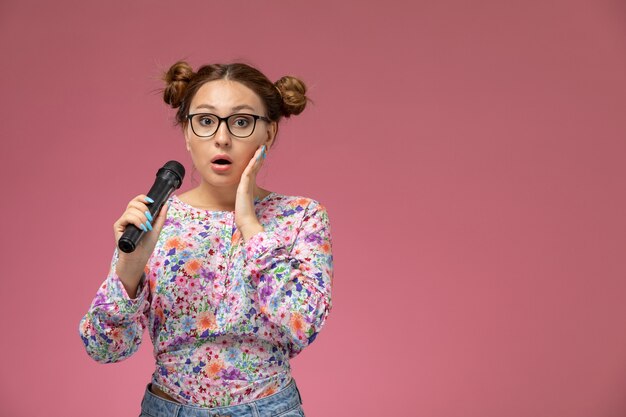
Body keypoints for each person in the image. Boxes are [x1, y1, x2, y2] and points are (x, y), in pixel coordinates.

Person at [79, 61, 333, 417]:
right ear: (186, 131)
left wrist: (249, 223)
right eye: (206, 120)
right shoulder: (156, 220)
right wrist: (130, 265)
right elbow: (105, 348)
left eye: (241, 121)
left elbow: (303, 323)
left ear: (269, 133)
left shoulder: (301, 217)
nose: (222, 137)